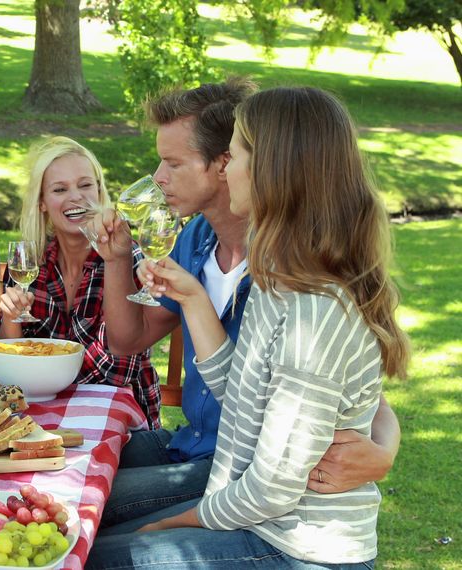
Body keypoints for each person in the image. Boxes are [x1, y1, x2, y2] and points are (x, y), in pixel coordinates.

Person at [88, 85, 410, 568]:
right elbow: (241, 393)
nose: (158, 178)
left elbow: (272, 485)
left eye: (236, 155)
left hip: (296, 542)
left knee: (91, 548)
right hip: (242, 490)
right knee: (79, 510)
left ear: (267, 170)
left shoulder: (312, 305)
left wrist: (171, 524)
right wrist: (194, 298)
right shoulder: (275, 273)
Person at [0, 136, 160, 426]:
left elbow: (116, 371)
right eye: (60, 189)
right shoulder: (30, 264)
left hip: (119, 423)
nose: (76, 197)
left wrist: (41, 372)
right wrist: (11, 320)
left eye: (85, 185)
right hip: (38, 418)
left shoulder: (123, 258)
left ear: (99, 190)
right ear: (42, 203)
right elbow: (6, 371)